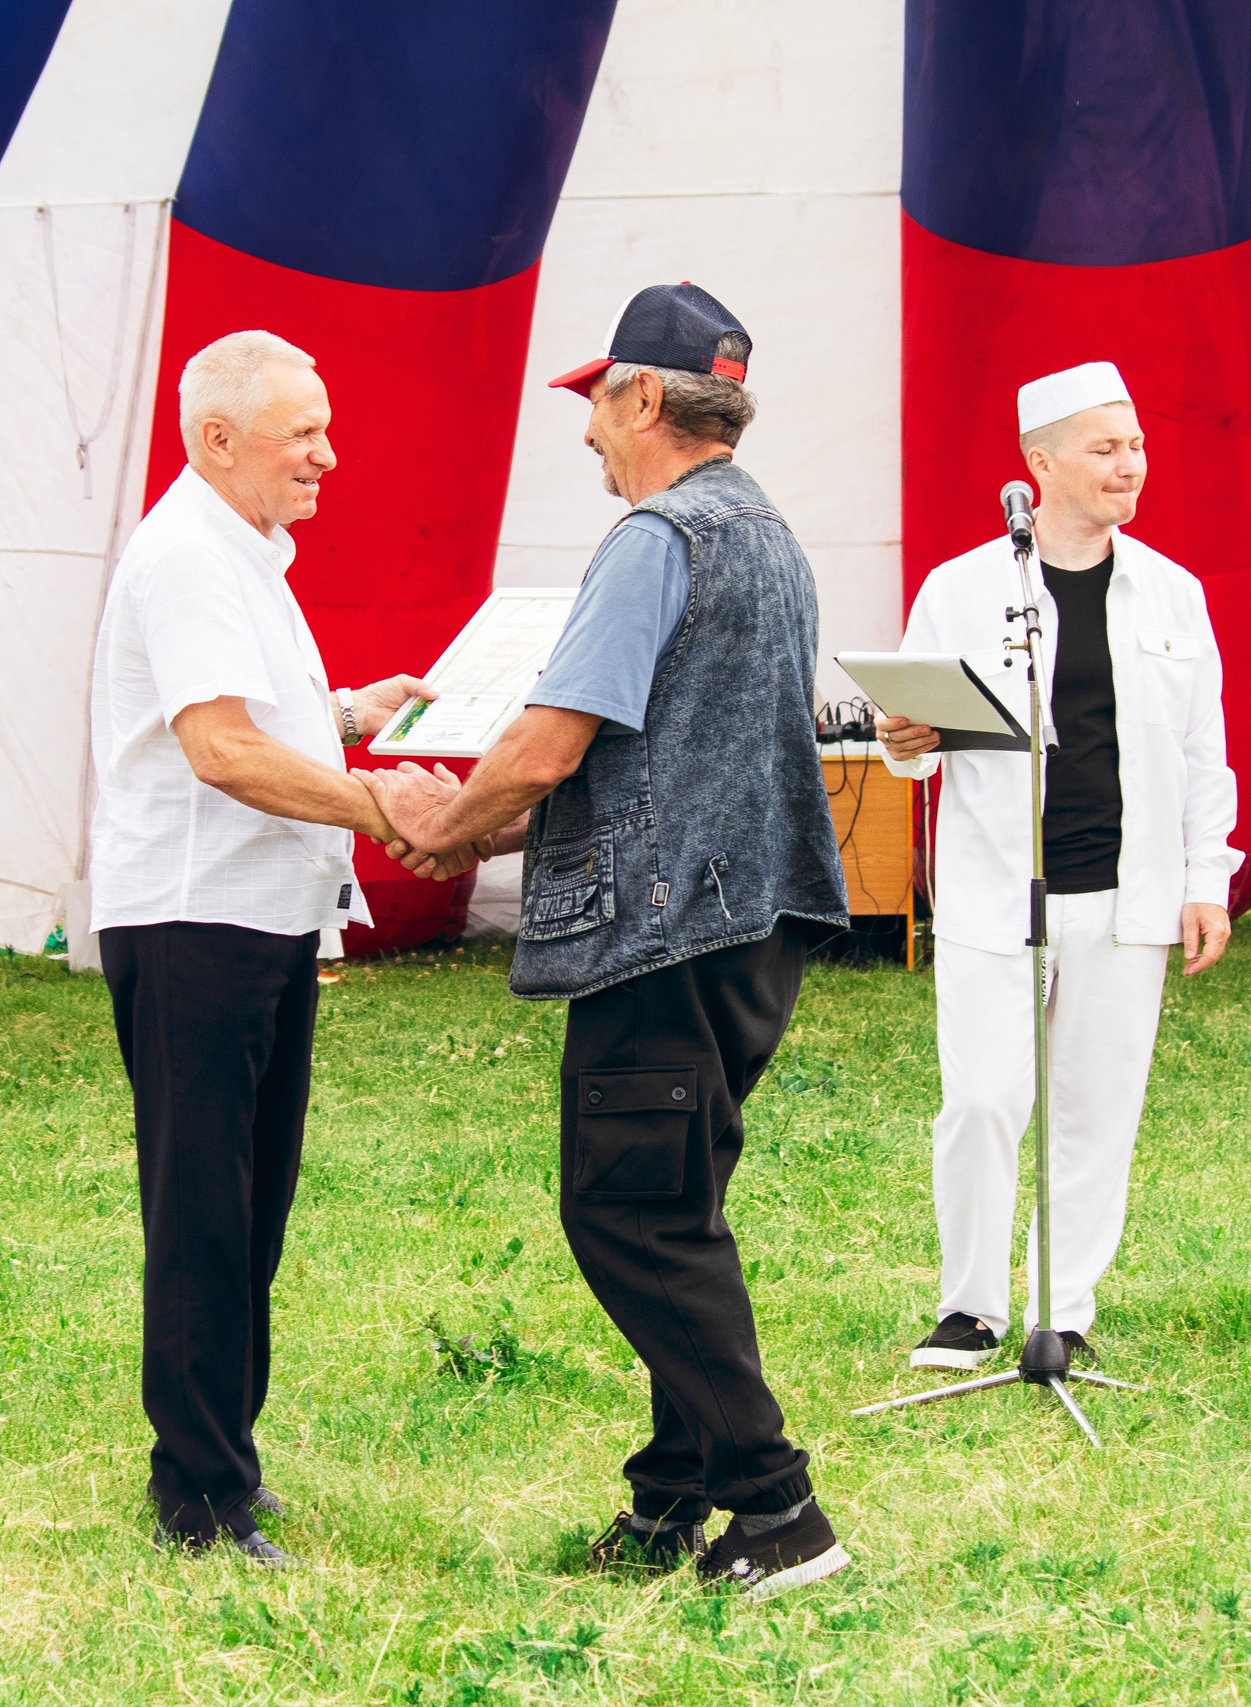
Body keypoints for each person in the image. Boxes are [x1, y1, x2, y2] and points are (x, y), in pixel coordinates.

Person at [369, 284, 854, 1600]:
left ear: (647, 397)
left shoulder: (654, 540)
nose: (586, 428)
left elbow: (547, 741)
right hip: (752, 930)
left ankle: (780, 1509)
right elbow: (682, 760)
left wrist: (448, 829)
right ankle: (668, 1506)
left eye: (595, 399)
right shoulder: (773, 536)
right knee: (678, 1210)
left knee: (630, 1215)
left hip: (659, 939)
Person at [89, 330, 430, 1566]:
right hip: (195, 922)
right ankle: (197, 1494)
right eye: (304, 433)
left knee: (252, 1204)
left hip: (258, 918)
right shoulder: (189, 554)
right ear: (217, 439)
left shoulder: (243, 551)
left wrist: (349, 716)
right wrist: (388, 804)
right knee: (204, 1211)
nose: (327, 456)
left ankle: (223, 1451)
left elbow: (254, 716)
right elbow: (220, 751)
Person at [875, 361, 1237, 1375]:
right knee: (984, 1098)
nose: (1131, 465)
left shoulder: (1172, 591)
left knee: (1096, 1108)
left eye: (1136, 446)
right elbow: (914, 742)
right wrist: (905, 736)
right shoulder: (961, 588)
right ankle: (970, 1307)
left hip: (1127, 898)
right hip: (998, 893)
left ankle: (1059, 1309)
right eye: (1105, 448)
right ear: (1038, 466)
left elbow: (1205, 750)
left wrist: (1205, 878)